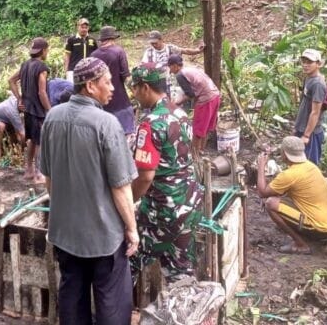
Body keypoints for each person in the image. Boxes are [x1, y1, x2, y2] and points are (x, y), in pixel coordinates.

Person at [40, 57, 139, 325]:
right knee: (111, 301)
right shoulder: (107, 124)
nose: (113, 88)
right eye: (108, 82)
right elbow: (120, 186)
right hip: (103, 236)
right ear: (91, 86)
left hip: (65, 233)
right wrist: (131, 229)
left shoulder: (52, 117)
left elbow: (49, 178)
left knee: (72, 295)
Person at [129, 63, 202, 282]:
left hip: (162, 209)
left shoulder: (151, 124)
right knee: (180, 267)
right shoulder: (180, 113)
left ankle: (120, 303)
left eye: (135, 88)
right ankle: (185, 300)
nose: (134, 94)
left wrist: (128, 201)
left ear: (145, 87)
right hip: (188, 201)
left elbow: (145, 176)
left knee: (129, 257)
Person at [255, 136, 327, 254]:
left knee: (270, 203)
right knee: (281, 197)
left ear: (285, 154)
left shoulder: (289, 175)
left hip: (322, 228)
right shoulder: (310, 166)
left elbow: (262, 192)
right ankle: (300, 231)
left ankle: (301, 244)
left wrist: (261, 167)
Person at [9, 37, 51, 184]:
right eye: (47, 50)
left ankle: (29, 171)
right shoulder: (42, 68)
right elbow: (42, 92)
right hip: (38, 110)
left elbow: (11, 80)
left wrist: (20, 98)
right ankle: (39, 174)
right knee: (40, 141)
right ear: (43, 50)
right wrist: (49, 110)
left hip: (27, 109)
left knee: (32, 140)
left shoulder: (25, 64)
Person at [167, 54, 221, 156]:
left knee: (198, 129)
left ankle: (194, 156)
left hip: (206, 99)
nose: (171, 71)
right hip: (215, 95)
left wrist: (176, 103)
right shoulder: (190, 69)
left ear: (175, 66)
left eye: (170, 67)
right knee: (205, 127)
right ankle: (201, 150)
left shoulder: (180, 75)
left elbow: (190, 94)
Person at [91, 25, 135, 139]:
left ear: (102, 39)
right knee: (127, 138)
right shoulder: (118, 51)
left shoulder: (93, 55)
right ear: (113, 38)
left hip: (101, 106)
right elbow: (126, 77)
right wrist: (136, 93)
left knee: (106, 139)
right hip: (120, 103)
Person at [294, 48, 327, 165]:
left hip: (311, 132)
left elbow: (315, 112)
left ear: (318, 64)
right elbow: (304, 103)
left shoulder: (318, 84)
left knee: (309, 164)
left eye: (309, 62)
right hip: (302, 127)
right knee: (298, 162)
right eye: (304, 61)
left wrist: (306, 135)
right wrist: (297, 127)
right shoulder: (309, 78)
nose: (305, 65)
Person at [64, 17, 97, 83]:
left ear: (88, 28)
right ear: (77, 27)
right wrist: (66, 70)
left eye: (86, 27)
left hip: (88, 70)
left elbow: (95, 55)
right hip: (73, 70)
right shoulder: (71, 40)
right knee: (71, 88)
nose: (84, 29)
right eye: (82, 27)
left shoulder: (92, 40)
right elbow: (67, 56)